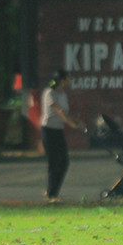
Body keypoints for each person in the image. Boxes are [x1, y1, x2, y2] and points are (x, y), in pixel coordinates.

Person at [40, 69, 83, 202]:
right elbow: (58, 111)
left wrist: (77, 121)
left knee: (64, 162)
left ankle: (53, 191)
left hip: (58, 130)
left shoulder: (63, 94)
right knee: (54, 163)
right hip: (48, 130)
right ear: (62, 80)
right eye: (68, 78)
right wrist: (71, 123)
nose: (70, 81)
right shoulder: (50, 93)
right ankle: (52, 195)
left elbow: (65, 113)